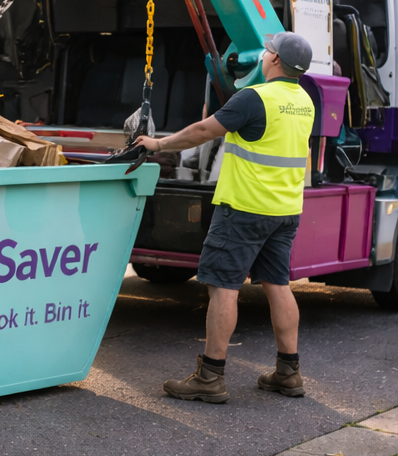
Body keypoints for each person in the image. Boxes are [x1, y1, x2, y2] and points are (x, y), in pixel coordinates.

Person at [135, 32, 315, 404]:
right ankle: (289, 372)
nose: (263, 55)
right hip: (284, 211)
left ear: (274, 60)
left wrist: (158, 144)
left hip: (245, 209)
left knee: (223, 287)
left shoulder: (255, 98)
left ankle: (210, 377)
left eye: (268, 51)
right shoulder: (305, 102)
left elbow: (203, 131)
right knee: (278, 285)